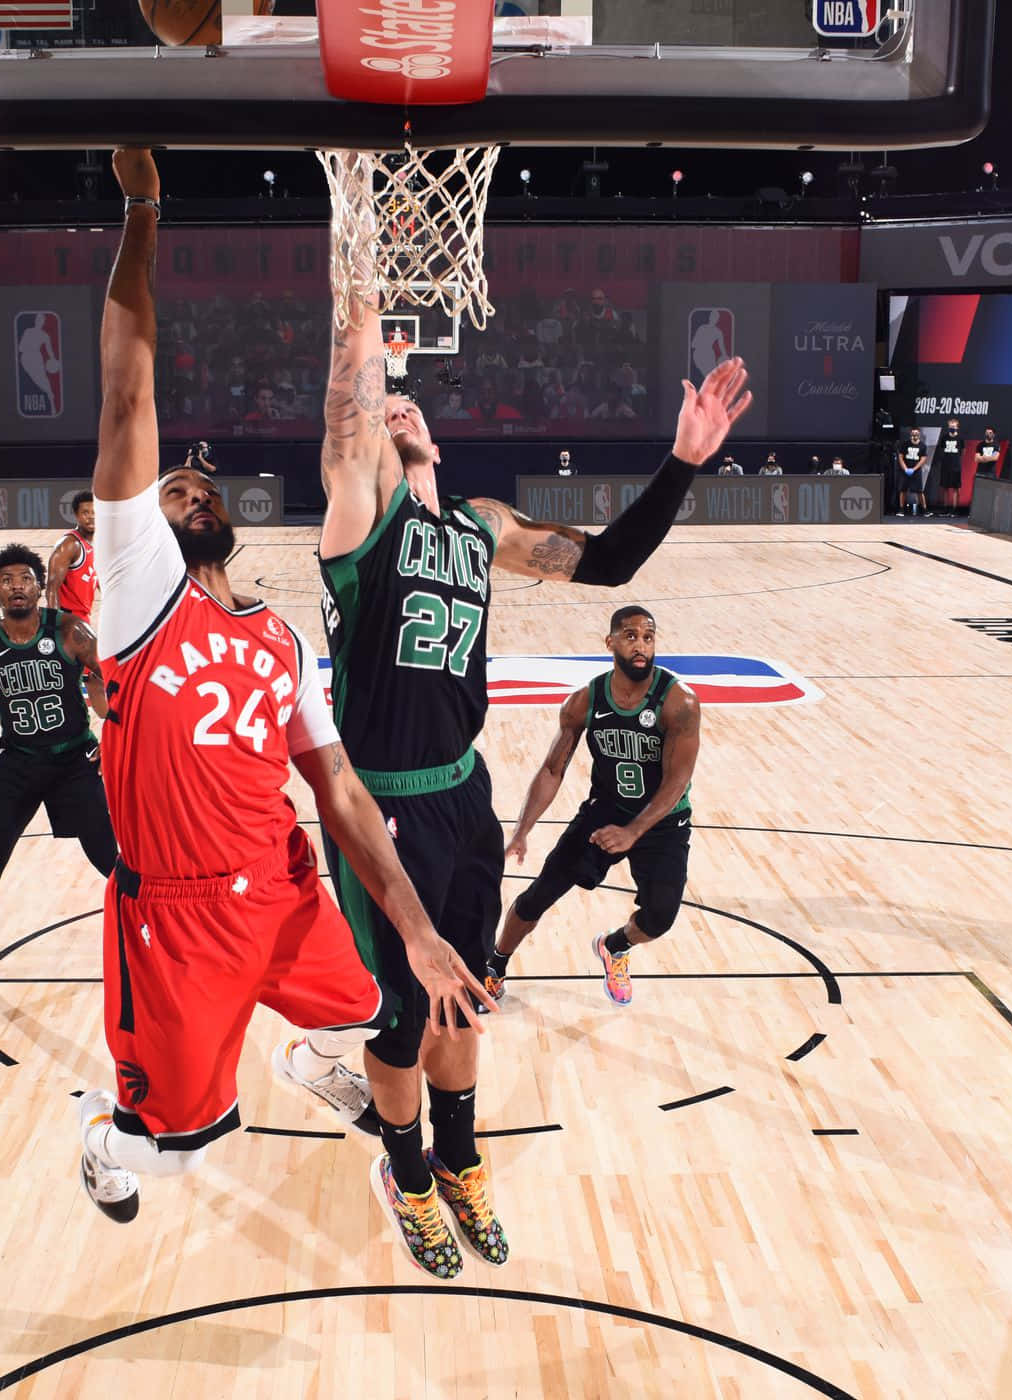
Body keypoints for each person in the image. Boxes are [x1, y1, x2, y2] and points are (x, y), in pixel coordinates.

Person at [289, 148, 749, 1277]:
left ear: (435, 438)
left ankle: (459, 1158)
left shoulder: (482, 526)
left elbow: (607, 562)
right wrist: (361, 253)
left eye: (409, 407)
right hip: (381, 803)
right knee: (402, 1012)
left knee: (467, 996)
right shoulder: (360, 522)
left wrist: (681, 464)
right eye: (383, 411)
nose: (394, 411)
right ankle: (404, 1170)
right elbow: (350, 398)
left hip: (462, 790)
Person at [77, 150, 492, 1241]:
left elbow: (342, 792)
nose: (189, 490)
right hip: (175, 915)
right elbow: (128, 386)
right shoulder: (136, 594)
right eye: (170, 487)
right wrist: (143, 208)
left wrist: (414, 928)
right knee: (179, 1147)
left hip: (280, 888)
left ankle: (309, 1055)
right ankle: (104, 1137)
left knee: (380, 1009)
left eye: (199, 486)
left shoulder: (276, 639)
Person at [486, 607, 698, 1008]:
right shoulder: (584, 700)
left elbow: (677, 781)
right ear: (610, 642)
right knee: (539, 895)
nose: (641, 645)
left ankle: (615, 946)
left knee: (659, 918)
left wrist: (633, 831)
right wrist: (522, 830)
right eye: (630, 636)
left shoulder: (679, 702)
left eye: (648, 637)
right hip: (605, 813)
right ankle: (495, 965)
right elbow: (553, 769)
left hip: (663, 822)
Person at [0, 543, 117, 996]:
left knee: (109, 858)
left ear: (40, 587)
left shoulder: (72, 632)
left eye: (25, 579)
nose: (17, 587)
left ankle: (152, 937)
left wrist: (112, 739)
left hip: (74, 762)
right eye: (7, 580)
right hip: (17, 765)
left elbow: (117, 686)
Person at [46, 490, 98, 622]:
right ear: (76, 515)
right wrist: (53, 624)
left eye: (95, 512)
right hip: (67, 617)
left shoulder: (97, 544)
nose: (91, 517)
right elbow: (52, 588)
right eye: (85, 513)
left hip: (82, 615)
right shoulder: (70, 545)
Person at [933, 417, 964, 514]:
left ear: (957, 427)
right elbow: (941, 450)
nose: (952, 428)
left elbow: (963, 451)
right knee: (945, 487)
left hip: (956, 467)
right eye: (950, 427)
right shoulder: (944, 437)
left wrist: (956, 460)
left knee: (956, 488)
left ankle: (954, 509)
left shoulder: (960, 438)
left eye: (954, 427)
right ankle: (945, 508)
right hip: (945, 466)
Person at [896, 427, 930, 517]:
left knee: (919, 491)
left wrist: (914, 469)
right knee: (903, 490)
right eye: (913, 433)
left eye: (916, 434)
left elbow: (923, 459)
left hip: (916, 471)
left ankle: (925, 510)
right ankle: (901, 510)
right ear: (910, 434)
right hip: (905, 471)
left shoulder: (923, 446)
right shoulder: (905, 444)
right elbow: (900, 457)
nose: (914, 435)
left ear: (919, 435)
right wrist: (905, 469)